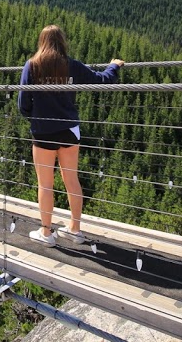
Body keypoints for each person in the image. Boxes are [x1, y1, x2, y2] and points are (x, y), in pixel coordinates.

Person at [18, 25, 123, 247]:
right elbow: (102, 80)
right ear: (62, 41)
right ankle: (74, 230)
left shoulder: (32, 65)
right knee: (71, 180)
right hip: (69, 130)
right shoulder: (71, 65)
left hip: (43, 131)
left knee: (45, 184)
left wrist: (35, 117)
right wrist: (113, 66)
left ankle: (46, 233)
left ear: (42, 41)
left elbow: (23, 103)